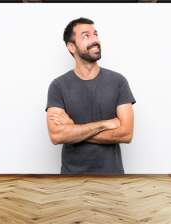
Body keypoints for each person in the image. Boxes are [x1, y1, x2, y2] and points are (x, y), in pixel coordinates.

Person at [45, 17, 136, 174]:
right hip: (71, 178)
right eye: (86, 36)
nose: (95, 40)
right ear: (71, 47)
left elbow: (126, 133)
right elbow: (56, 136)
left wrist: (73, 130)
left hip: (112, 177)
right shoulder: (58, 86)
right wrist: (105, 124)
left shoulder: (118, 81)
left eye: (95, 34)